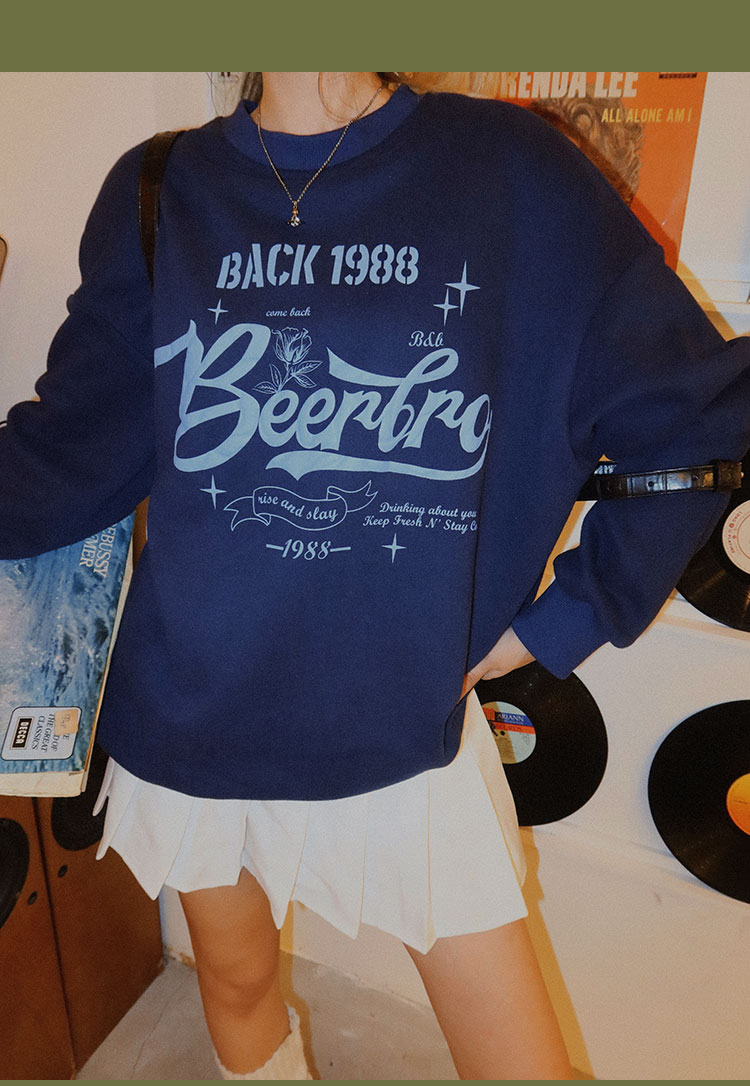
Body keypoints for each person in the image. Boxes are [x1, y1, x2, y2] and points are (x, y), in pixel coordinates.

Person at [2, 71, 749, 1080]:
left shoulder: (512, 171)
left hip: (403, 727)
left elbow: (695, 417)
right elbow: (72, 456)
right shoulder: (159, 188)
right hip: (194, 712)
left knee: (519, 1062)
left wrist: (563, 620)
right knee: (236, 987)